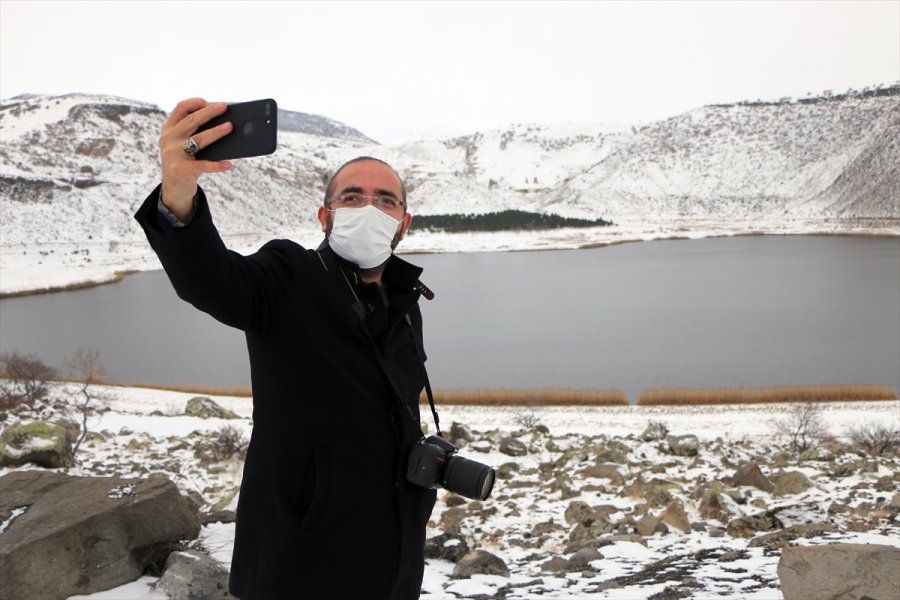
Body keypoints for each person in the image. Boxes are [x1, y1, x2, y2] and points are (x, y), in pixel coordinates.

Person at [134, 98, 437, 599]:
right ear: (326, 215)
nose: (370, 209)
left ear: (404, 224)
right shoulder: (288, 276)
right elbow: (210, 280)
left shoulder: (405, 302)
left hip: (394, 557)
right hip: (300, 560)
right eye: (352, 197)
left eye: (387, 201)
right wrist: (178, 195)